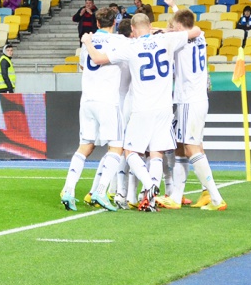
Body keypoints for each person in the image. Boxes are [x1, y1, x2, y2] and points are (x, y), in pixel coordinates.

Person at [83, 12, 203, 210]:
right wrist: (164, 31)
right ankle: (151, 199)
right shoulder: (167, 39)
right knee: (156, 153)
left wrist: (88, 42)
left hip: (142, 108)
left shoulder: (131, 46)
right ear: (150, 25)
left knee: (130, 151)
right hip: (164, 107)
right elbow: (196, 31)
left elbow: (96, 58)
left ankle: (148, 186)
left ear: (132, 29)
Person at [61, 7, 127, 212]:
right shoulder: (118, 41)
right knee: (116, 147)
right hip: (107, 101)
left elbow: (83, 66)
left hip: (87, 100)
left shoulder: (86, 42)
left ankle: (68, 190)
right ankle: (100, 190)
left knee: (85, 147)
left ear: (97, 23)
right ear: (114, 22)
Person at [165, 1, 226, 211]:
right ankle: (177, 196)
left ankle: (216, 198)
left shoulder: (180, 41)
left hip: (188, 100)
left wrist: (160, 30)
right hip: (198, 99)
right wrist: (174, 7)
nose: (172, 28)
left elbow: (175, 31)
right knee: (181, 145)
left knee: (191, 148)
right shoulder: (200, 36)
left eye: (174, 25)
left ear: (179, 26)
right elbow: (187, 22)